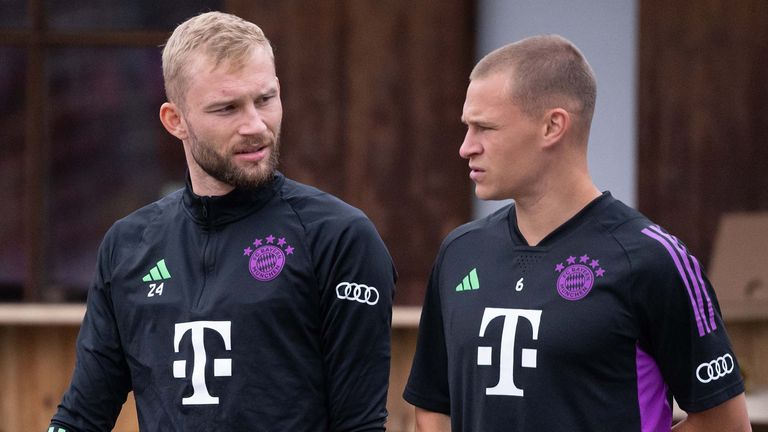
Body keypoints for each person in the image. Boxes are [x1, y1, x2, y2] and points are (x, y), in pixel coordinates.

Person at [47, 11, 396, 432]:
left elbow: (360, 425)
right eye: (227, 108)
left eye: (265, 99)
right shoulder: (127, 244)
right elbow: (82, 416)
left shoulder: (340, 237)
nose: (255, 125)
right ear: (175, 121)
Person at [403, 35, 750, 431]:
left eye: (485, 127)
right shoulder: (460, 253)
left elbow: (725, 424)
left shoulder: (651, 259)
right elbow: (431, 405)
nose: (466, 147)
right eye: (467, 127)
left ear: (553, 126)